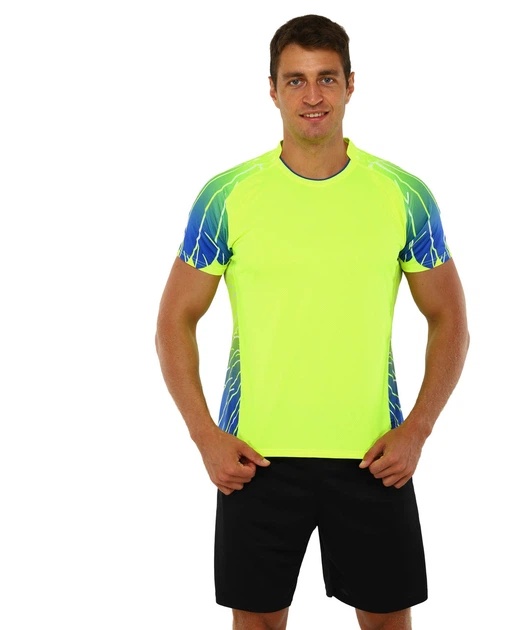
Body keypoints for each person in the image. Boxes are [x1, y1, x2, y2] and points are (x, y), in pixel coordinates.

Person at [155, 14, 469, 630]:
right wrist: (204, 436)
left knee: (387, 622)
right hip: (255, 459)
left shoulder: (404, 194)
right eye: (295, 80)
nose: (312, 95)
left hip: (374, 456)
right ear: (272, 90)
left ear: (351, 84)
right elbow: (175, 319)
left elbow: (449, 318)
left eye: (326, 78)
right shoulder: (226, 195)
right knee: (258, 624)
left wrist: (418, 430)